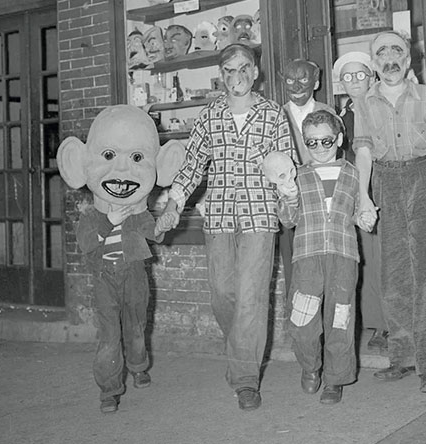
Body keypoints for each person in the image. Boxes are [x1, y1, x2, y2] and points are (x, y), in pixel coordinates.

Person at [155, 43, 295, 411]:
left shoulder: (273, 114)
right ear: (221, 76)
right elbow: (192, 167)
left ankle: (246, 380)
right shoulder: (209, 116)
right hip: (217, 216)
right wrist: (173, 206)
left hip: (260, 216)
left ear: (256, 72)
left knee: (251, 297)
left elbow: (286, 166)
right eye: (230, 70)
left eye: (245, 68)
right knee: (223, 294)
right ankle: (241, 352)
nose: (238, 77)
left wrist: (289, 202)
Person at [354, 30, 426, 394]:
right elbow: (365, 152)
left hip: (423, 181)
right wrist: (364, 197)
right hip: (386, 182)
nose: (390, 59)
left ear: (408, 59)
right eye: (382, 53)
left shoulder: (425, 95)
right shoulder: (365, 103)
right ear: (374, 63)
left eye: (396, 52)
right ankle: (401, 358)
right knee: (393, 275)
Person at [56, 105, 181, 413]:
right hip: (105, 281)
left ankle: (138, 365)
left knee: (136, 328)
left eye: (137, 158)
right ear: (79, 164)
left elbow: (155, 234)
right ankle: (109, 389)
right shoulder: (91, 217)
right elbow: (87, 243)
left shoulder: (138, 215)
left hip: (136, 276)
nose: (123, 171)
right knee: (110, 336)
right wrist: (108, 219)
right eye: (109, 156)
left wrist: (165, 221)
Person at [277, 109, 366, 405]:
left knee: (340, 320)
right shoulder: (297, 176)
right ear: (305, 143)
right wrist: (287, 197)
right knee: (302, 321)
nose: (319, 148)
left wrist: (365, 217)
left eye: (325, 141)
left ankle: (335, 379)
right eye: (311, 143)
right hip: (307, 256)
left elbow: (361, 213)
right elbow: (287, 220)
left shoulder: (355, 175)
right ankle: (310, 365)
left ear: (339, 139)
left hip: (343, 256)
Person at [332, 51, 388, 352]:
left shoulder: (380, 107)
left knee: (384, 258)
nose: (354, 81)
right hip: (355, 191)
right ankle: (375, 321)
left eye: (360, 74)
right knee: (365, 257)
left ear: (372, 76)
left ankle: (388, 324)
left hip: (380, 188)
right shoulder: (343, 114)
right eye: (347, 76)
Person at [278, 58, 336, 296]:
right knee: (295, 266)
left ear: (316, 81)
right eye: (290, 80)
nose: (297, 86)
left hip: (323, 201)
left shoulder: (328, 113)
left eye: (304, 79)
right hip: (290, 202)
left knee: (327, 264)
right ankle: (300, 325)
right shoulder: (275, 115)